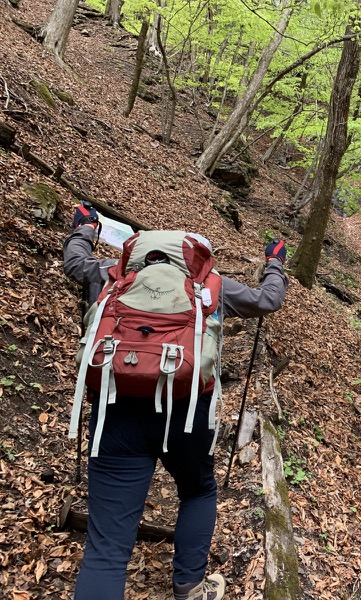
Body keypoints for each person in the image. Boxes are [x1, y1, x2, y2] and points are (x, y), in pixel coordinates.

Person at [63, 203, 289, 600]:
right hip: (185, 414)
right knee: (198, 490)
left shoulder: (115, 276)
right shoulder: (213, 286)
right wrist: (274, 262)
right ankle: (189, 586)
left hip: (116, 413)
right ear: (196, 259)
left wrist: (84, 228)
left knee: (106, 552)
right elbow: (268, 300)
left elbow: (75, 263)